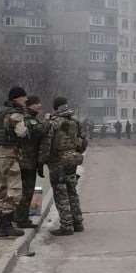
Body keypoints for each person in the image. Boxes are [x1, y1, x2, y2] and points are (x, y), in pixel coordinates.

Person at [40, 96, 87, 236]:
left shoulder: (53, 123)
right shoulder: (76, 121)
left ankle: (66, 225)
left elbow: (47, 144)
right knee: (72, 190)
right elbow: (83, 141)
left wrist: (41, 161)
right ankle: (78, 223)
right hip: (72, 160)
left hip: (57, 162)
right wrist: (75, 152)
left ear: (55, 107)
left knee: (61, 193)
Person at [0, 86, 27, 238]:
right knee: (15, 190)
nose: (26, 100)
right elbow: (21, 133)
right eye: (24, 97)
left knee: (0, 190)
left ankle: (0, 227)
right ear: (17, 98)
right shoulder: (16, 114)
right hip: (9, 155)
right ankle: (7, 224)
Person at [12, 95, 48, 229]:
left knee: (28, 190)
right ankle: (21, 219)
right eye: (35, 103)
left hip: (29, 160)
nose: (39, 105)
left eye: (39, 103)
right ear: (29, 105)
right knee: (26, 190)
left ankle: (21, 216)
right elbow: (38, 131)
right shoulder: (27, 119)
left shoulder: (32, 118)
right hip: (26, 160)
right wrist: (47, 122)